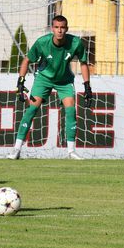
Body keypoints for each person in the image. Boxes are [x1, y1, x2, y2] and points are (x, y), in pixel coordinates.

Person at [9, 15, 92, 160]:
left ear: (67, 28)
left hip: (64, 80)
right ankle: (16, 149)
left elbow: (84, 63)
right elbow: (27, 60)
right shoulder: (42, 43)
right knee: (32, 109)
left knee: (71, 109)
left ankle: (71, 151)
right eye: (57, 27)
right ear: (52, 29)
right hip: (44, 78)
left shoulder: (75, 43)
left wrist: (87, 87)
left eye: (62, 27)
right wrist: (20, 82)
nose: (60, 30)